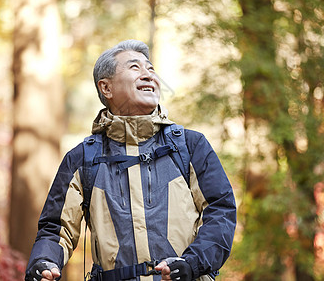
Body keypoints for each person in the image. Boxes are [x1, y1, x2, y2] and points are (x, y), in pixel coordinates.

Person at [25, 40, 237, 281]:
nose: (148, 75)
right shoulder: (83, 158)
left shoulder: (190, 145)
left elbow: (220, 210)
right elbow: (56, 228)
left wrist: (192, 262)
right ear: (106, 88)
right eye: (135, 68)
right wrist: (44, 261)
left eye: (151, 69)